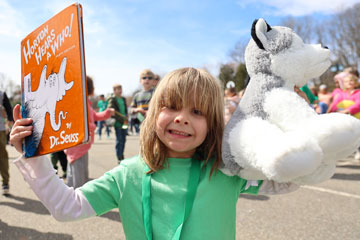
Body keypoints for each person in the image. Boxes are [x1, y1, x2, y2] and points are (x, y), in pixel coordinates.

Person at [10, 67, 299, 239]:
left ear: (212, 122)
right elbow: (66, 208)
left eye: (197, 112)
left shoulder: (226, 170)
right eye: (171, 106)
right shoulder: (127, 175)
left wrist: (296, 132)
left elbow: (286, 180)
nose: (182, 118)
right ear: (152, 113)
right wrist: (36, 158)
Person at [64, 76, 115, 188]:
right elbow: (78, 122)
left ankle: (73, 198)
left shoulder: (85, 102)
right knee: (78, 178)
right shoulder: (78, 102)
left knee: (77, 174)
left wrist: (107, 113)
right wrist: (91, 127)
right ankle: (76, 201)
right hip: (78, 144)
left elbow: (94, 116)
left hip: (82, 144)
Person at [108, 84, 128, 163]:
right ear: (114, 90)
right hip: (118, 122)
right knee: (119, 139)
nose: (120, 90)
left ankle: (122, 155)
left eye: (120, 89)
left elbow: (125, 109)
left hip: (125, 121)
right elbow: (110, 108)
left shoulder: (123, 98)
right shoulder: (112, 99)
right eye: (118, 89)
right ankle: (119, 157)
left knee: (124, 139)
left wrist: (126, 116)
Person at [0, 90, 13, 195]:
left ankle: (5, 183)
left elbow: (9, 110)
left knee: (2, 156)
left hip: (0, 130)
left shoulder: (2, 94)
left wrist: (9, 122)